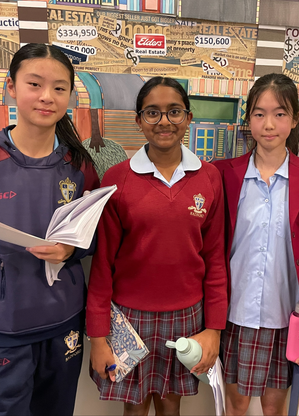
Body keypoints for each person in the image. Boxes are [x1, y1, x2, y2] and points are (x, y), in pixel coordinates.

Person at [0, 43, 99, 416]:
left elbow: (95, 236)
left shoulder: (79, 164)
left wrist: (71, 250)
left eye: (59, 88)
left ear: (70, 96)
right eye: (35, 84)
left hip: (65, 326)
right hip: (3, 333)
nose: (47, 96)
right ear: (12, 88)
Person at [87, 76, 227, 416]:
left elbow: (215, 259)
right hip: (129, 318)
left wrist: (214, 329)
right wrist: (98, 338)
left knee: (170, 406)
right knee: (134, 409)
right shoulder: (117, 179)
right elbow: (102, 265)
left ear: (188, 117)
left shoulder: (209, 178)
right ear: (139, 121)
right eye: (152, 112)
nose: (164, 121)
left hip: (187, 316)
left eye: (174, 111)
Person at [214, 73, 299, 415]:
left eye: (280, 114)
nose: (269, 124)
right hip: (235, 313)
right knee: (235, 404)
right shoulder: (223, 175)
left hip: (286, 316)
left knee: (275, 406)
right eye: (259, 114)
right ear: (249, 119)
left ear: (294, 119)